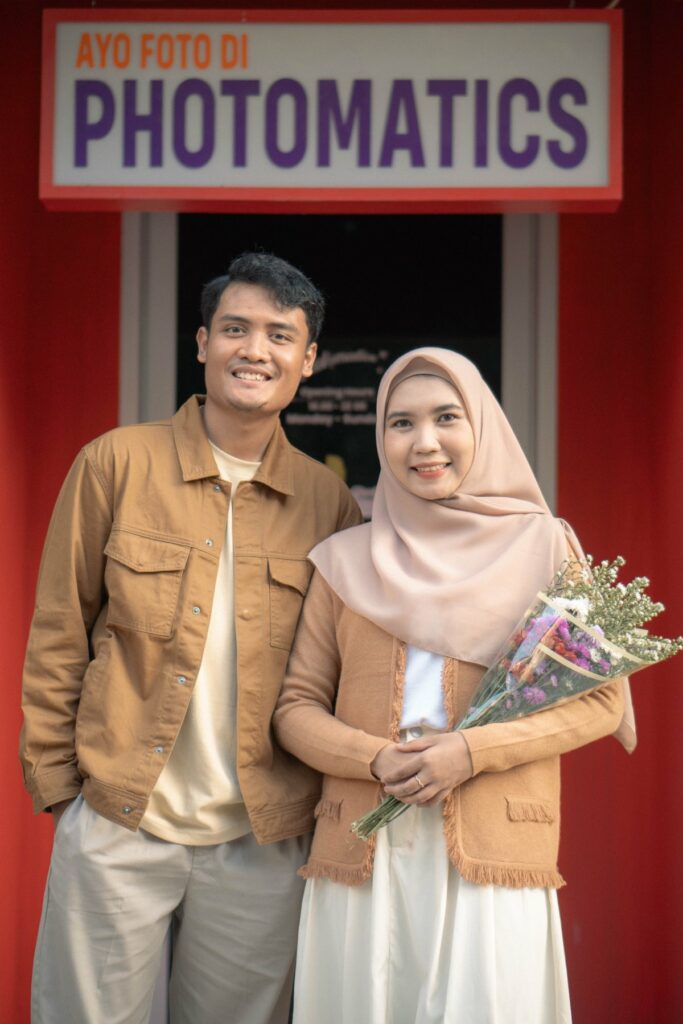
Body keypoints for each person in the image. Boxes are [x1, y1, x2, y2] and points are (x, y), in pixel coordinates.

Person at [20, 251, 362, 1024]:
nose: (255, 350)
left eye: (279, 335)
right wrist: (63, 795)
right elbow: (59, 634)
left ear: (307, 360)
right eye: (235, 329)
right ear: (203, 342)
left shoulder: (327, 502)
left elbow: (339, 674)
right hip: (118, 820)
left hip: (261, 838)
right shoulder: (115, 463)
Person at [274, 347, 634, 1024]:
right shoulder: (343, 562)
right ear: (380, 437)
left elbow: (598, 700)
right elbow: (295, 709)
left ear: (481, 425)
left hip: (489, 847)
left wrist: (469, 752)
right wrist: (375, 759)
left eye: (446, 417)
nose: (425, 442)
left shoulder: (545, 548)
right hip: (364, 844)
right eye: (401, 423)